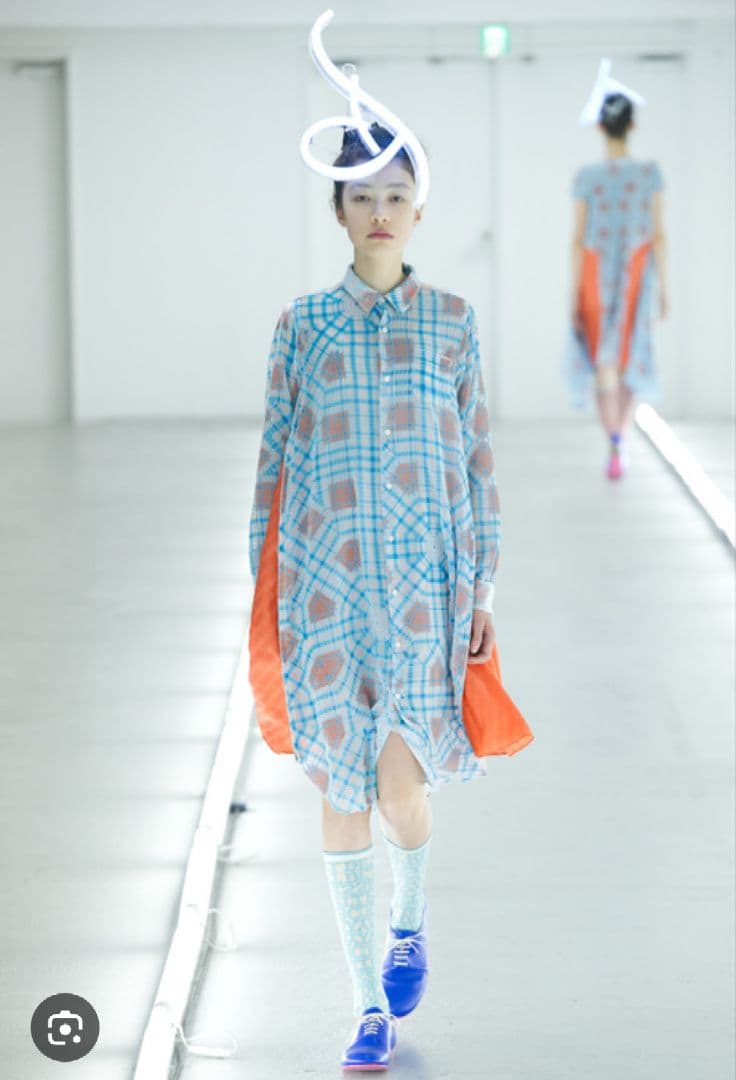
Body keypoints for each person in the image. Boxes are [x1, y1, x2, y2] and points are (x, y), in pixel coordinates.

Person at [248, 121, 502, 1071]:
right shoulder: (301, 327)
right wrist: (264, 599)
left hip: (425, 595)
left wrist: (484, 590)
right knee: (341, 790)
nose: (381, 211)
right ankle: (365, 1007)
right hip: (324, 591)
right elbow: (272, 469)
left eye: (396, 195)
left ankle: (409, 917)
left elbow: (478, 464)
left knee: (401, 792)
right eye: (363, 196)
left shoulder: (453, 323)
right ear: (340, 211)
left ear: (418, 211)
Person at [565, 89, 669, 480]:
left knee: (603, 365)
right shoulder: (649, 173)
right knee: (632, 358)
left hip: (595, 274)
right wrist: (663, 287)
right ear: (632, 125)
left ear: (599, 126)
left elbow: (578, 238)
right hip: (636, 272)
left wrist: (574, 292)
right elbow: (658, 235)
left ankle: (613, 440)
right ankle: (620, 439)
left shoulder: (587, 177)